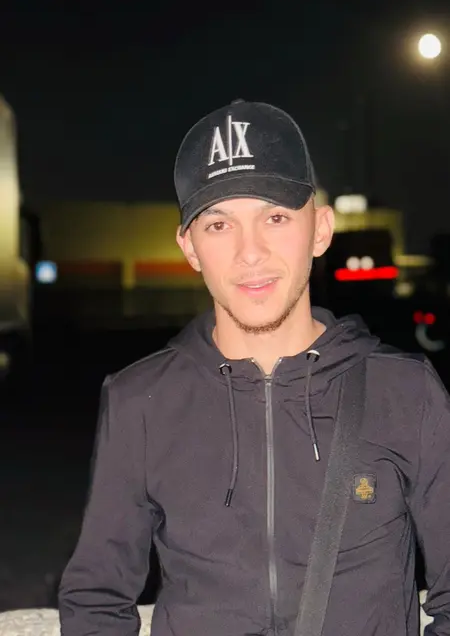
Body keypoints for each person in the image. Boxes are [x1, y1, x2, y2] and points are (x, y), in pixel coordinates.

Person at [58, 100, 450, 636]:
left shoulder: (405, 391)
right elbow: (96, 601)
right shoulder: (139, 401)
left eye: (275, 217)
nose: (250, 252)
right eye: (219, 224)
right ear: (189, 247)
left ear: (320, 229)